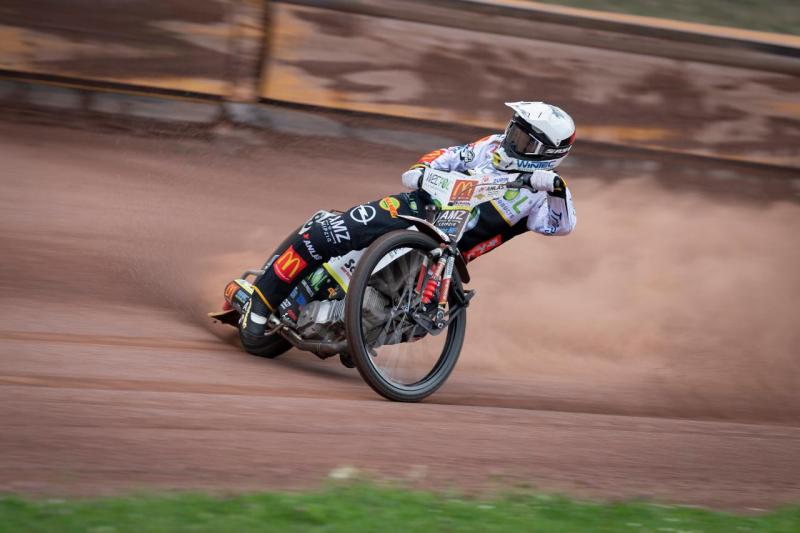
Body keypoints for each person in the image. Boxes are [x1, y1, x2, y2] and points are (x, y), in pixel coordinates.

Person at [241, 101, 577, 339]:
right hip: (415, 207)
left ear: (547, 153)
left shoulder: (542, 193)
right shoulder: (490, 146)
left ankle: (360, 335)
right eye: (513, 130)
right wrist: (421, 171)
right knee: (328, 231)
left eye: (522, 139)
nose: (510, 139)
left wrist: (556, 189)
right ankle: (260, 303)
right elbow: (448, 156)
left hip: (444, 257)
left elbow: (562, 226)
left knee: (410, 317)